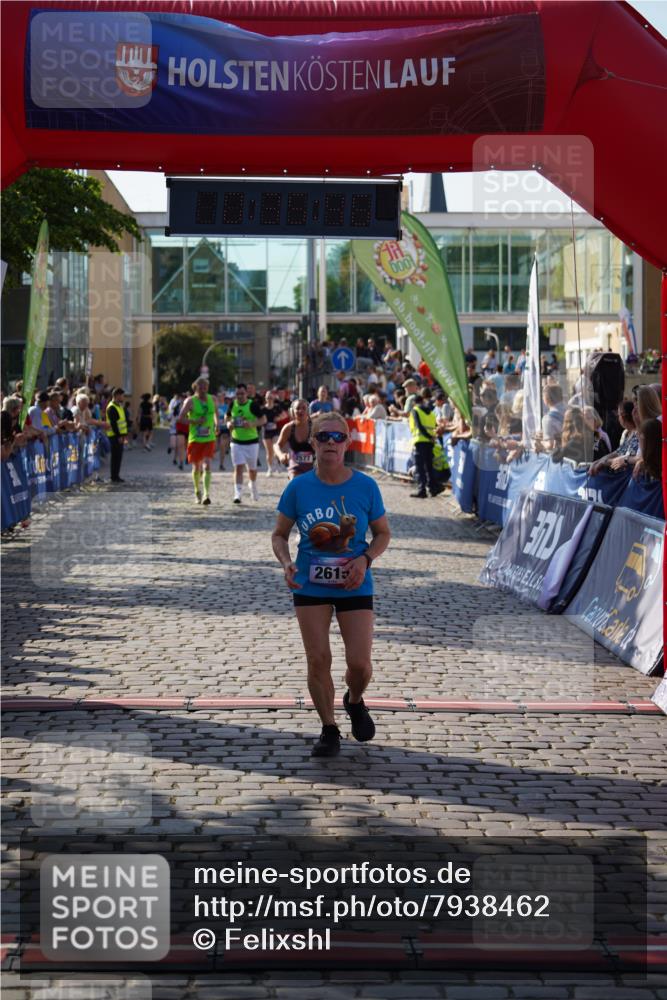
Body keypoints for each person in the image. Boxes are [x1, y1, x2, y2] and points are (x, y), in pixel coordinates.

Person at [271, 411, 391, 758]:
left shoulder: (366, 486)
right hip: (310, 584)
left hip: (355, 583)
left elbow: (383, 534)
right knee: (318, 659)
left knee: (360, 665)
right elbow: (279, 535)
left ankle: (354, 700)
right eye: (324, 437)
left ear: (348, 444)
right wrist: (286, 562)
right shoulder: (298, 487)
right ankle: (329, 728)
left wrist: (365, 558)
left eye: (339, 438)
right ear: (313, 442)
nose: (331, 444)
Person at [179, 377, 219, 505]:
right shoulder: (190, 401)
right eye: (201, 387)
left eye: (205, 387)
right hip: (195, 438)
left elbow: (216, 413)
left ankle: (207, 494)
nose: (203, 390)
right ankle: (197, 492)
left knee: (207, 464)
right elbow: (181, 418)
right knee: (196, 467)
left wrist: (217, 424)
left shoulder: (213, 399)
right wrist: (195, 421)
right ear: (195, 387)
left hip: (209, 437)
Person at [227, 382, 265, 503]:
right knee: (238, 467)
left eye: (242, 394)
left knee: (252, 469)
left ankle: (253, 486)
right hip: (236, 441)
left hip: (252, 442)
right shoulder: (232, 404)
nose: (240, 396)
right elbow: (227, 417)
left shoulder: (252, 405)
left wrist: (251, 424)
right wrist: (228, 424)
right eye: (237, 394)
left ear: (246, 394)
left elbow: (263, 419)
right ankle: (237, 494)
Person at [408, 394, 445, 498]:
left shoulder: (415, 410)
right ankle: (434, 488)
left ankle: (422, 490)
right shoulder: (430, 412)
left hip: (420, 441)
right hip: (430, 442)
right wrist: (432, 437)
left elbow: (419, 426)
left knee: (420, 467)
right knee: (429, 466)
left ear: (414, 403)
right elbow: (436, 426)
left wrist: (428, 436)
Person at [275, 399, 315, 479]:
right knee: (295, 483)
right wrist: (281, 455)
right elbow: (277, 445)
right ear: (292, 411)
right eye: (297, 408)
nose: (300, 411)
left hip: (313, 467)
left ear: (308, 411)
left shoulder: (315, 427)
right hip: (295, 467)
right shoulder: (288, 428)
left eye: (304, 408)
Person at [106, 387, 128, 483]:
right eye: (122, 395)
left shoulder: (119, 406)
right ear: (117, 396)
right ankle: (114, 476)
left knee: (118, 457)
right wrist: (119, 436)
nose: (123, 397)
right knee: (115, 457)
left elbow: (121, 421)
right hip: (114, 436)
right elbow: (114, 423)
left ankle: (116, 475)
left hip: (120, 435)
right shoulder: (111, 407)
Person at [261, 389, 282, 476]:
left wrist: (278, 418)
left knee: (276, 449)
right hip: (266, 432)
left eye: (271, 397)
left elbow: (284, 414)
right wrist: (263, 421)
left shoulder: (277, 407)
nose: (269, 399)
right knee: (269, 452)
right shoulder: (263, 409)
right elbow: (259, 419)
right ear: (265, 399)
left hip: (275, 431)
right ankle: (270, 468)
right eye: (268, 398)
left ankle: (277, 463)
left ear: (273, 398)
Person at [216, 391, 231, 471]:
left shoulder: (227, 407)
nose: (219, 398)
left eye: (221, 396)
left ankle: (221, 464)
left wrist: (227, 420)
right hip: (215, 428)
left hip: (224, 428)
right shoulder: (214, 407)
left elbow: (230, 416)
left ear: (223, 397)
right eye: (218, 396)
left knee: (222, 446)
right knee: (215, 447)